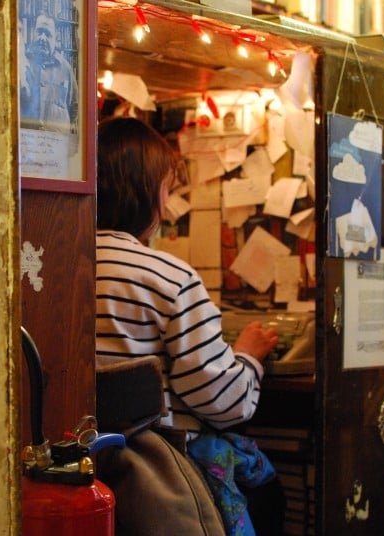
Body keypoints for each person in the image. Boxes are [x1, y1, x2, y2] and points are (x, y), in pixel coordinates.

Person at [95, 116, 285, 535]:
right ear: (149, 194)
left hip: (79, 462)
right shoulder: (169, 277)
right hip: (157, 473)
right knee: (268, 489)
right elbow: (222, 401)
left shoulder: (49, 263)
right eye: (166, 187)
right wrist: (248, 357)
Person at [19, 12, 78, 134]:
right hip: (28, 144)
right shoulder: (22, 62)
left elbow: (74, 108)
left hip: (56, 145)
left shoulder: (66, 69)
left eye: (48, 34)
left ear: (56, 38)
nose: (42, 38)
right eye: (39, 32)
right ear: (33, 32)